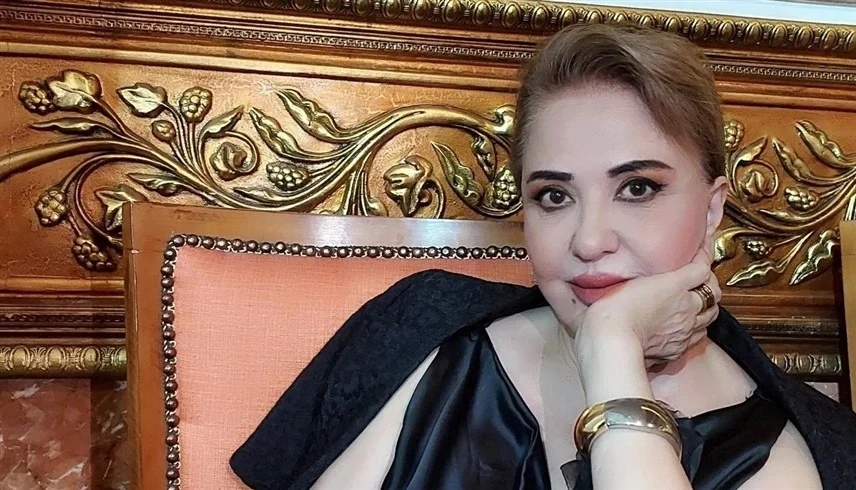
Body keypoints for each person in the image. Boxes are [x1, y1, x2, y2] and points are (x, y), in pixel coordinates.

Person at [230, 24, 856, 489]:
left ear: (713, 208)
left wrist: (611, 350)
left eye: (638, 188)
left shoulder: (795, 451)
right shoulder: (427, 335)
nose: (588, 240)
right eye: (554, 195)